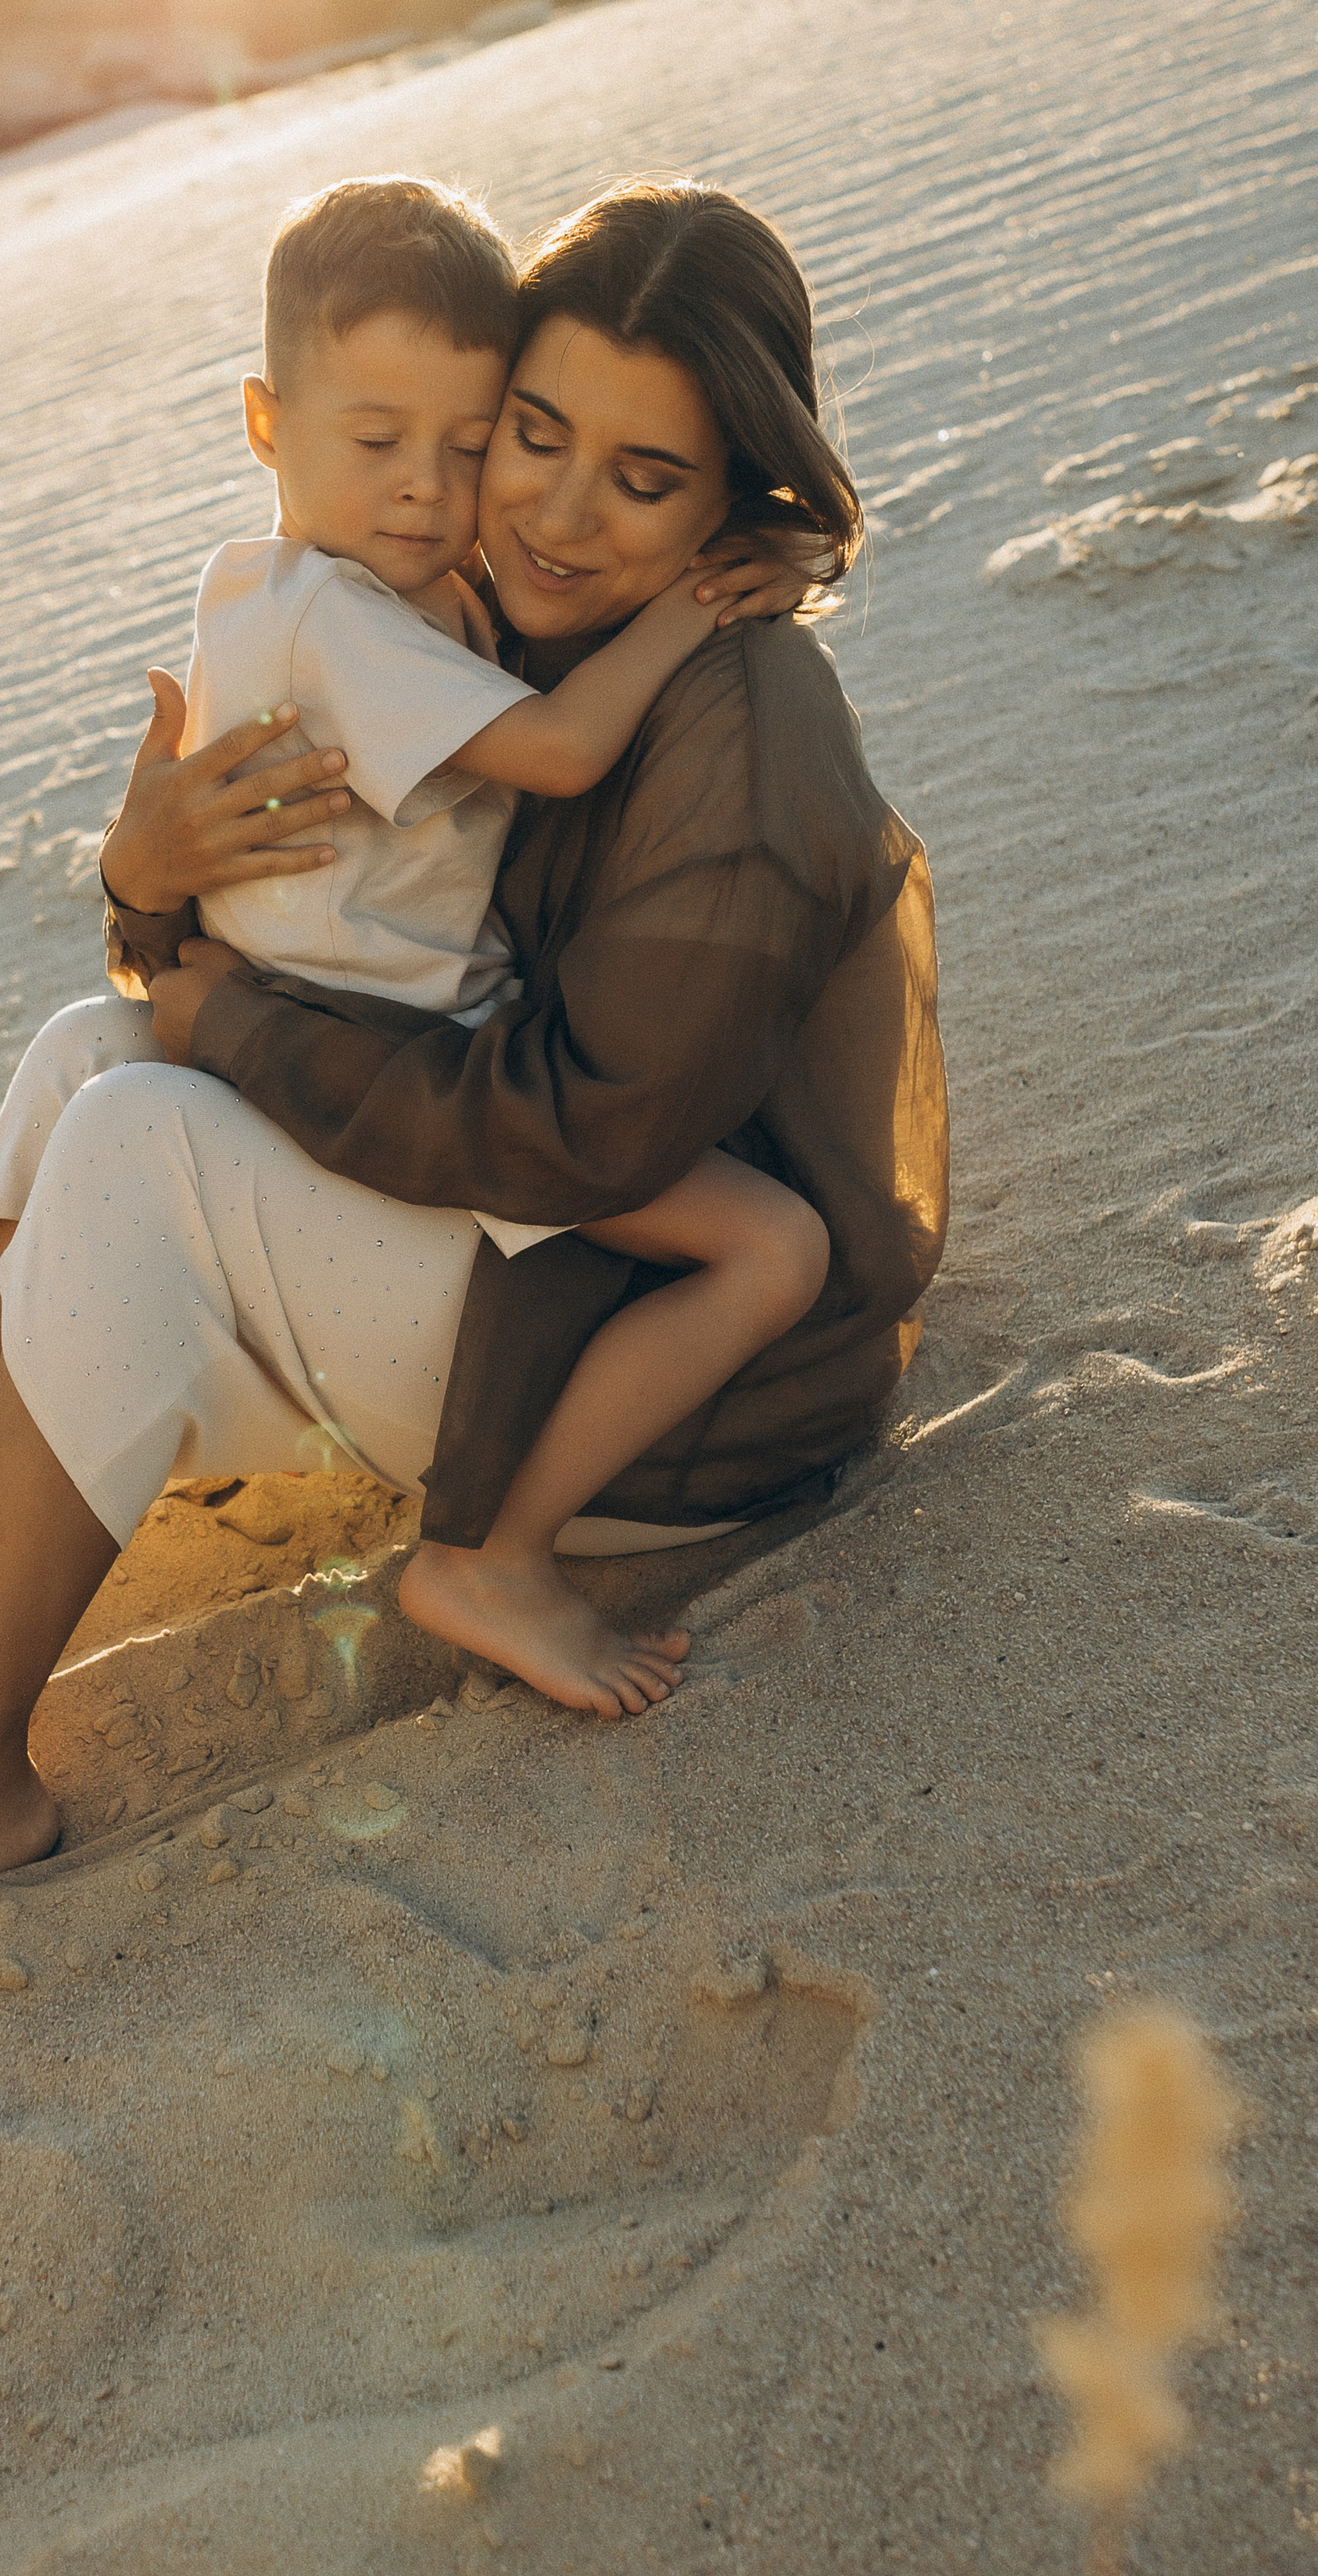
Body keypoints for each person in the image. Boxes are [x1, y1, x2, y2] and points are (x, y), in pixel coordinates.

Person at [0, 177, 945, 2008]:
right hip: (527, 1269)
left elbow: (584, 1137)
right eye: (528, 436)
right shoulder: (485, 611)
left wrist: (220, 1021)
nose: (552, 509)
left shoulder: (738, 725)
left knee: (139, 1133)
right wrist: (143, 880)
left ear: (735, 498)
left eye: (640, 480)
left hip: (671, 1400)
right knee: (81, 1058)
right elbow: (298, 919)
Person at [184, 174, 830, 1679]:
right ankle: (491, 1557)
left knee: (693, 1245)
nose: (445, 493)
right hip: (387, 1045)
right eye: (530, 441)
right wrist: (697, 598)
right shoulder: (373, 609)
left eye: (467, 445)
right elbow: (558, 752)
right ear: (266, 423)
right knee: (771, 1248)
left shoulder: (371, 590)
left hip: (403, 1037)